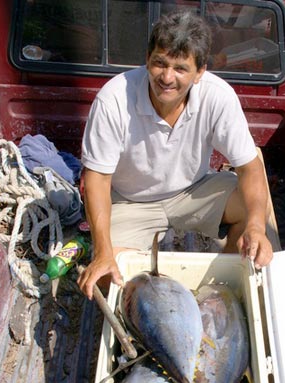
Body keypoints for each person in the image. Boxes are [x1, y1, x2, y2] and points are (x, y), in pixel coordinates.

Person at [78, 10, 273, 299]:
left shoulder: (218, 97)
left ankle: (222, 293)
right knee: (109, 278)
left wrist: (256, 227)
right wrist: (103, 252)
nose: (167, 77)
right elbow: (96, 179)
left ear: (200, 72)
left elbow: (250, 167)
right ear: (147, 59)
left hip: (192, 190)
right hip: (131, 201)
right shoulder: (113, 99)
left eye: (181, 68)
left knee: (256, 212)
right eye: (160, 63)